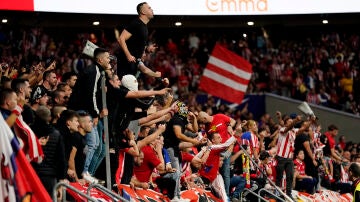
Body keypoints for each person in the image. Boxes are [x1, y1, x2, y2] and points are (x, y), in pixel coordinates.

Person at [197, 111, 236, 196]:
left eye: (202, 122)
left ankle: (226, 196)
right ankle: (216, 196)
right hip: (215, 151)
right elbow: (210, 139)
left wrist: (229, 126)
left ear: (205, 118)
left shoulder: (219, 116)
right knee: (216, 173)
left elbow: (233, 121)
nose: (202, 125)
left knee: (225, 174)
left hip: (225, 149)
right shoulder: (207, 127)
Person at [116, 2, 157, 78]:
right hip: (125, 65)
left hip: (133, 65)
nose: (152, 9)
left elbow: (135, 46)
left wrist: (147, 50)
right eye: (149, 8)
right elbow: (121, 38)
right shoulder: (136, 23)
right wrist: (128, 55)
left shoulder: (144, 27)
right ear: (143, 12)